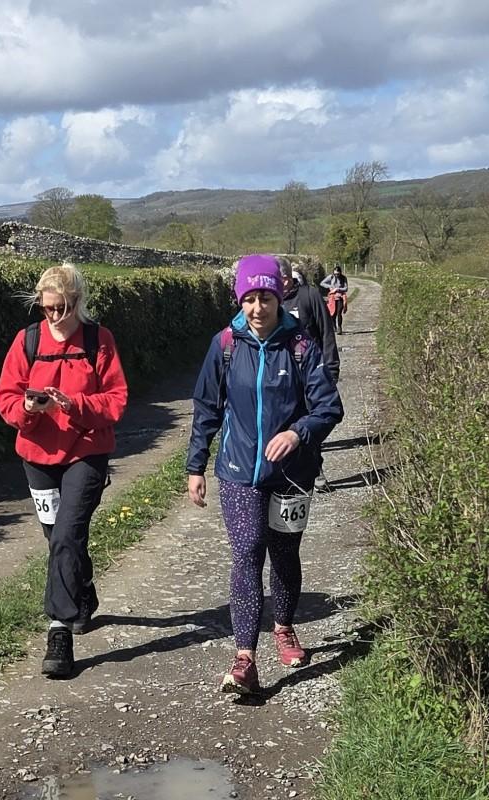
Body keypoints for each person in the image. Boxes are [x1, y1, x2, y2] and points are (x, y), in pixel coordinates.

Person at [186, 254, 344, 695]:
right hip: (239, 470)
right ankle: (244, 659)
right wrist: (195, 465)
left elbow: (329, 408)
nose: (257, 308)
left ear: (279, 297)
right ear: (240, 299)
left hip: (292, 473)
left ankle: (284, 626)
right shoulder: (225, 345)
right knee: (248, 552)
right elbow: (206, 408)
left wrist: (297, 432)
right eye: (249, 299)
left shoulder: (301, 346)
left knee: (285, 553)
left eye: (266, 298)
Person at [0, 263, 128, 678]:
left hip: (86, 453)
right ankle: (83, 593)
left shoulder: (98, 340)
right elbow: (5, 398)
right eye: (47, 308)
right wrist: (28, 409)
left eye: (62, 308)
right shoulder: (27, 341)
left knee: (67, 534)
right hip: (37, 456)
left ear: (78, 301)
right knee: (58, 539)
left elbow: (117, 399)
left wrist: (73, 404)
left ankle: (59, 631)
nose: (54, 316)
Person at [275, 256, 340, 492]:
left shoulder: (309, 296)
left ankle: (317, 471)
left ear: (286, 278)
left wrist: (331, 367)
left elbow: (326, 332)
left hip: (311, 374)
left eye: (275, 279)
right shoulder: (270, 300)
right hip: (280, 378)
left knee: (310, 422)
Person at [320, 265, 349, 334]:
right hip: (332, 298)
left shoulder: (343, 278)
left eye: (337, 274)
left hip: (340, 297)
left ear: (340, 273)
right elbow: (322, 283)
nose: (336, 275)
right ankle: (334, 326)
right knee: (333, 313)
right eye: (335, 274)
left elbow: (346, 288)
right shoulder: (331, 277)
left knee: (339, 313)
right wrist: (330, 286)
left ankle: (339, 327)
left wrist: (338, 289)